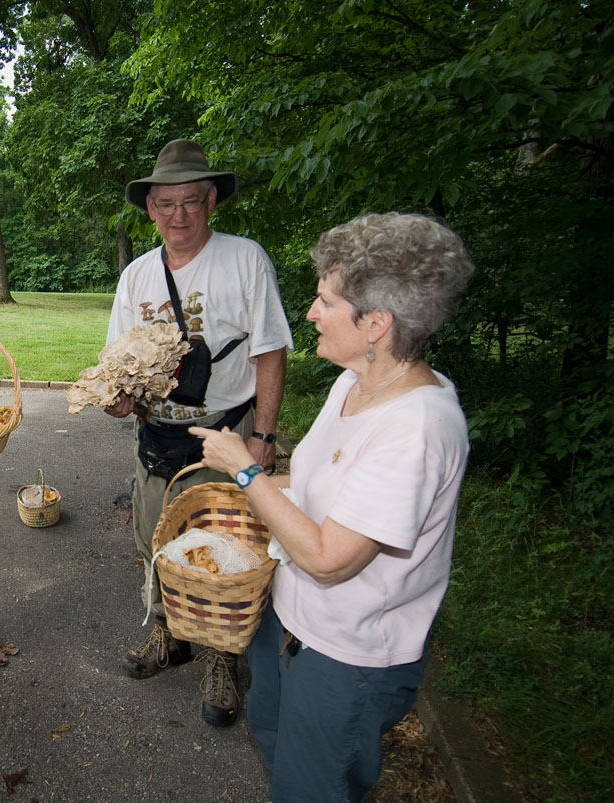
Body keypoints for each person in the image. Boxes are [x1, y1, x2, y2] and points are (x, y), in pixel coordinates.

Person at [191, 212, 474, 801]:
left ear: (375, 323)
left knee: (313, 787)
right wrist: (255, 489)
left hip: (347, 658)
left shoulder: (415, 428)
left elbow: (328, 559)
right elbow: (321, 485)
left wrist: (245, 468)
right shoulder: (355, 380)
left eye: (324, 301)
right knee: (270, 735)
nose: (311, 312)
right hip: (290, 625)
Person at [105, 139, 294, 727]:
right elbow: (118, 364)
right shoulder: (137, 276)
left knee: (225, 548)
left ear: (211, 200)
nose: (178, 215)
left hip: (225, 433)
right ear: (151, 208)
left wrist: (261, 437)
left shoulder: (244, 259)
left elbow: (270, 350)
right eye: (166, 203)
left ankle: (218, 658)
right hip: (156, 438)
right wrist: (119, 399)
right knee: (157, 541)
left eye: (190, 201)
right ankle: (168, 634)